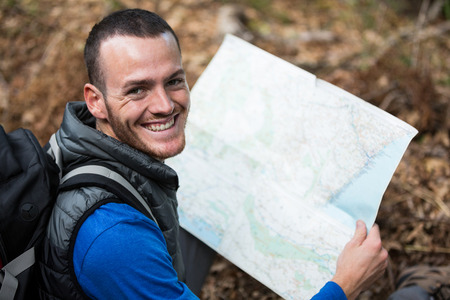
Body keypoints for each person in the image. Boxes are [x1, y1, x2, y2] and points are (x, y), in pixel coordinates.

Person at [37, 8, 388, 300]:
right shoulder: (113, 236)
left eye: (174, 81)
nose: (164, 105)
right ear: (95, 100)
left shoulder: (86, 141)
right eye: (138, 89)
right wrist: (345, 286)